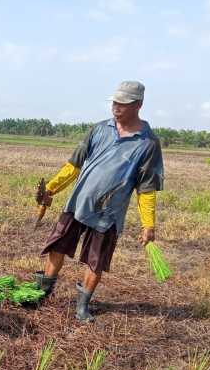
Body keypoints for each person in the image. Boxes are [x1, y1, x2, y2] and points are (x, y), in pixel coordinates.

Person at [36, 81, 164, 323]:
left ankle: (82, 306)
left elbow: (146, 189)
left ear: (138, 105)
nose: (116, 107)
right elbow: (74, 165)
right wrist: (52, 188)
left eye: (123, 103)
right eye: (115, 101)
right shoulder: (98, 129)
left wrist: (149, 225)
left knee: (96, 260)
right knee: (57, 245)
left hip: (108, 214)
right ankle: (43, 291)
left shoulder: (148, 143)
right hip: (77, 203)